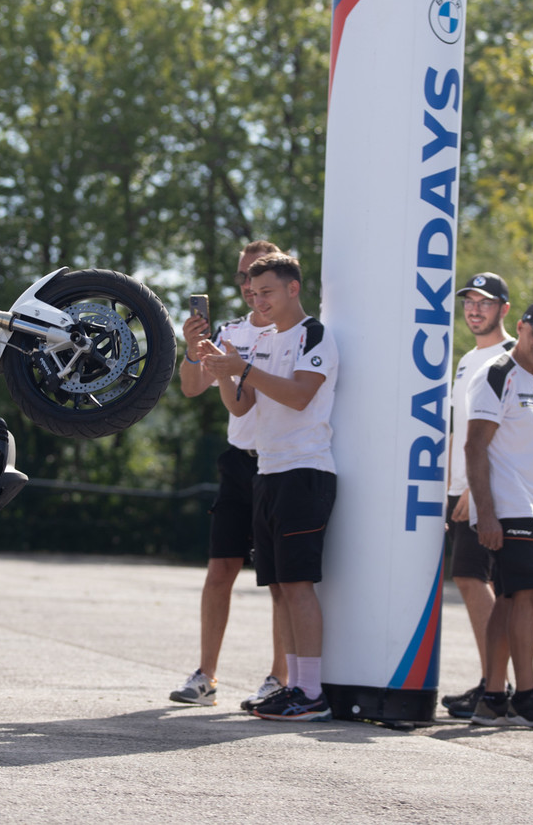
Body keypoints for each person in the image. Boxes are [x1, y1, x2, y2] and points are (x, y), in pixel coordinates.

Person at [200, 253, 338, 722]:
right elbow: (240, 408)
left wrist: (241, 369)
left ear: (293, 288)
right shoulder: (263, 340)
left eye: (268, 292)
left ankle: (311, 692)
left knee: (298, 584)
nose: (258, 301)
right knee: (279, 585)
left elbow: (300, 396)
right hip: (269, 472)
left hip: (306, 470)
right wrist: (223, 371)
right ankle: (293, 685)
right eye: (253, 293)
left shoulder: (314, 335)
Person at [168, 240, 292, 711]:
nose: (247, 287)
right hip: (240, 461)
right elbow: (191, 386)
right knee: (221, 569)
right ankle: (206, 676)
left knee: (279, 578)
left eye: (257, 280)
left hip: (281, 461)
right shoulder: (229, 331)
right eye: (243, 278)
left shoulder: (293, 333)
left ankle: (280, 676)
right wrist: (194, 348)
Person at [463, 300, 533, 730]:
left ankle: (492, 698)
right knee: (530, 595)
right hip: (504, 509)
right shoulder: (497, 374)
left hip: (526, 509)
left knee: (510, 599)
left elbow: (528, 460)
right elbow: (474, 446)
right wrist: (485, 512)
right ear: (521, 327)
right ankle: (525, 695)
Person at [439, 272, 517, 719]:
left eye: (485, 303)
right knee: (472, 581)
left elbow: (508, 434)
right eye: (469, 301)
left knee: (473, 579)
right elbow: (459, 428)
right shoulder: (469, 358)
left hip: (484, 490)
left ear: (504, 309)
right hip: (456, 488)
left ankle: (496, 687)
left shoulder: (511, 358)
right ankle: (493, 683)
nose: (474, 309)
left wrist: (472, 485)